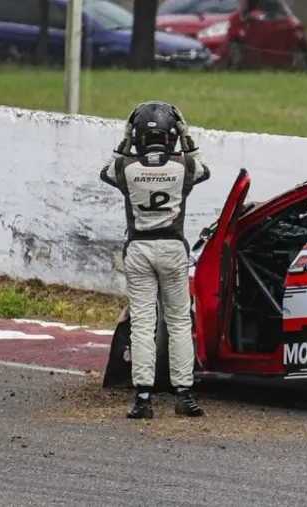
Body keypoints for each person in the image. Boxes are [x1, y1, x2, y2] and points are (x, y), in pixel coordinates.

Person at [100, 101, 211, 419]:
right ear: (171, 136)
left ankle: (143, 399)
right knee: (178, 323)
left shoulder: (127, 169)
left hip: (138, 250)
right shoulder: (183, 167)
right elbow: (202, 168)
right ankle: (184, 396)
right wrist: (187, 136)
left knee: (143, 324)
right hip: (173, 248)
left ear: (136, 136)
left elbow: (108, 170)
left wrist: (123, 139)